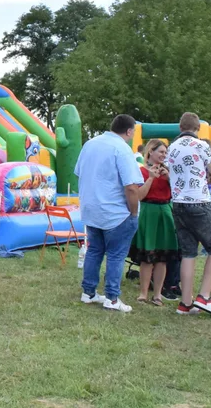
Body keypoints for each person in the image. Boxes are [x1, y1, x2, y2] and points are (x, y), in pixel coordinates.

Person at [74, 114, 144, 313]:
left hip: (91, 209)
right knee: (116, 255)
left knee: (94, 251)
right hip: (115, 212)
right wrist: (133, 212)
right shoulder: (122, 149)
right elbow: (131, 186)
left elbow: (79, 172)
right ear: (129, 131)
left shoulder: (90, 144)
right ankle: (112, 298)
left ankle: (88, 292)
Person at [166, 112, 211, 317]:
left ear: (180, 128)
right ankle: (205, 297)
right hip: (199, 201)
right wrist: (205, 179)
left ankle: (185, 302)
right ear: (197, 128)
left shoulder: (171, 148)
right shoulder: (201, 146)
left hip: (178, 204)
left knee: (188, 253)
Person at [134, 139, 179, 307]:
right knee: (148, 257)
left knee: (163, 257)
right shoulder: (141, 171)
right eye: (161, 152)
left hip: (165, 211)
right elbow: (139, 195)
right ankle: (143, 293)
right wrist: (151, 179)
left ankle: (158, 294)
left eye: (165, 153)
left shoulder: (169, 172)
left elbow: (177, 193)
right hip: (149, 212)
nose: (163, 155)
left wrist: (169, 179)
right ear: (150, 152)